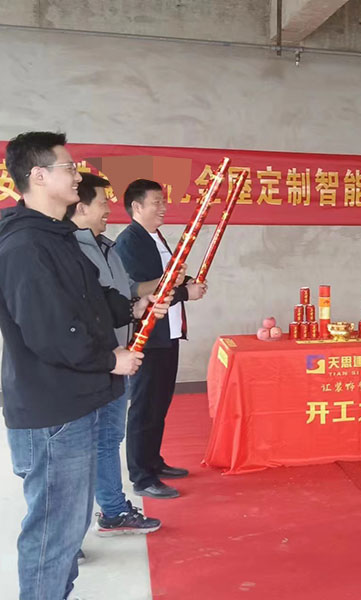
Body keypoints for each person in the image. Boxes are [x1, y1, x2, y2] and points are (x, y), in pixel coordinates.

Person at [0, 131, 165, 600]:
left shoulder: (58, 238)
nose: (78, 176)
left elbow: (89, 301)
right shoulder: (26, 245)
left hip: (74, 400)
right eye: (69, 168)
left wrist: (133, 308)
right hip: (54, 408)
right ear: (38, 176)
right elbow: (50, 330)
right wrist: (109, 358)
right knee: (54, 533)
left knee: (68, 529)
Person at [66, 173, 165, 536]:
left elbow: (126, 294)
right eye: (103, 203)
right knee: (77, 447)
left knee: (109, 437)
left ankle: (112, 510)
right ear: (81, 206)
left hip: (118, 357)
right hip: (91, 362)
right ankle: (67, 532)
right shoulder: (69, 250)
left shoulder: (107, 247)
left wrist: (144, 301)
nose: (110, 209)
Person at [115, 179, 207, 499]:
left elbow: (170, 276)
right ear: (136, 206)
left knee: (160, 402)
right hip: (148, 336)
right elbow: (144, 289)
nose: (163, 207)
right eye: (156, 202)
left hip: (168, 333)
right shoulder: (130, 241)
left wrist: (190, 282)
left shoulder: (156, 237)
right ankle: (141, 476)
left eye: (163, 201)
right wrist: (185, 292)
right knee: (144, 406)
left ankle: (153, 461)